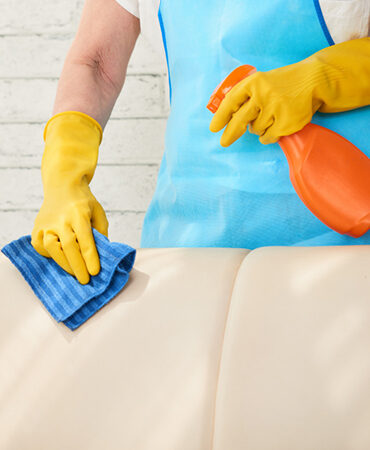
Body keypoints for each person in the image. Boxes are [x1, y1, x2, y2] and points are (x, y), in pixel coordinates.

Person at [31, 0, 370, 284]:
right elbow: (96, 62)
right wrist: (64, 176)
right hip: (187, 239)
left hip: (336, 241)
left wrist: (322, 77)